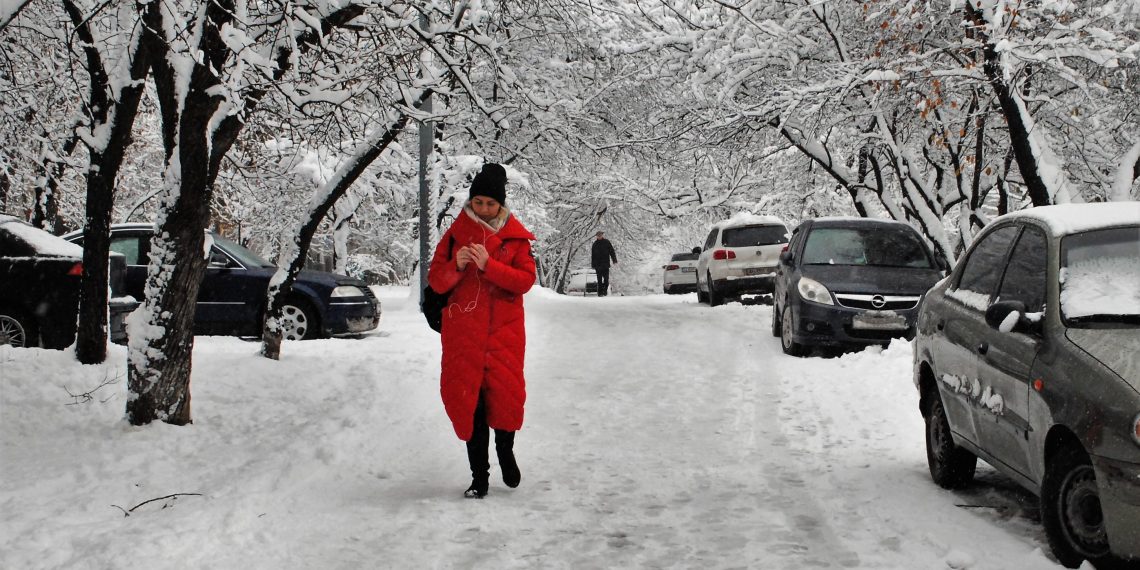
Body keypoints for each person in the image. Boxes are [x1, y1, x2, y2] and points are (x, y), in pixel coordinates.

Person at [426, 162, 537, 499]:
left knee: (504, 397)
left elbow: (524, 280)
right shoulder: (454, 236)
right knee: (468, 401)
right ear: (471, 201)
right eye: (478, 202)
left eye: (490, 203)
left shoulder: (515, 238)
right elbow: (436, 282)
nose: (484, 209)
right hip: (464, 332)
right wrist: (457, 265)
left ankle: (505, 452)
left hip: (504, 333)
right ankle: (479, 478)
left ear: (501, 204)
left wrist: (490, 266)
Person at [590, 230, 618, 296]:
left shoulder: (607, 242)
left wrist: (614, 260)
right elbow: (593, 255)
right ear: (596, 236)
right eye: (598, 235)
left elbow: (612, 251)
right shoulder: (595, 244)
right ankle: (600, 293)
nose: (599, 236)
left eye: (600, 235)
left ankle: (604, 291)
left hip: (605, 264)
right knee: (599, 280)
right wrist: (593, 264)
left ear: (602, 235)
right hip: (598, 265)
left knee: (606, 279)